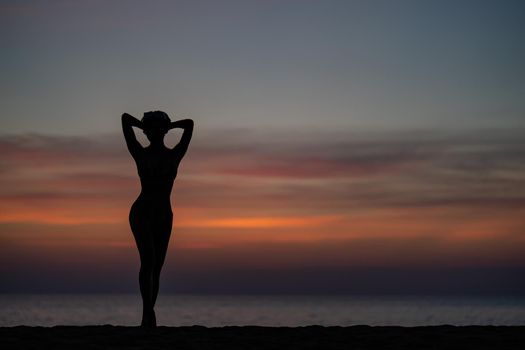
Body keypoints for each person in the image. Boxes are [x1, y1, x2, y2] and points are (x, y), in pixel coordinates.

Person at [121, 111, 194, 327]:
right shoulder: (139, 153)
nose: (153, 132)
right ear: (145, 131)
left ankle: (149, 312)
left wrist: (167, 125)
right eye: (149, 129)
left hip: (164, 214)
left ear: (164, 130)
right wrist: (145, 124)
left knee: (158, 266)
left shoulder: (175, 154)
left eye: (158, 128)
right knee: (148, 261)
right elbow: (125, 119)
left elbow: (189, 125)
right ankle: (147, 313)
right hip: (142, 211)